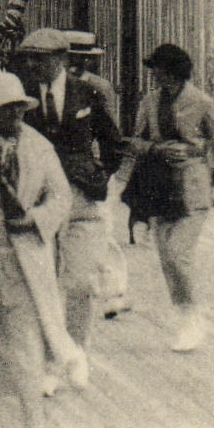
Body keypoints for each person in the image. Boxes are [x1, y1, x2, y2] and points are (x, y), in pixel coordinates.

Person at [0, 72, 88, 428]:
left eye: (19, 110)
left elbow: (61, 196)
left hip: (22, 261)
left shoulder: (38, 147)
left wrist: (35, 219)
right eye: (7, 111)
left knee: (27, 344)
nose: (15, 118)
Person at [12, 28, 122, 386]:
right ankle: (47, 364)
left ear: (61, 59)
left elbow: (113, 142)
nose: (32, 64)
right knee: (41, 284)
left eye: (39, 58)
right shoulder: (22, 98)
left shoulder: (87, 93)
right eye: (28, 57)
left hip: (81, 199)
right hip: (40, 199)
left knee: (77, 282)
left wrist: (100, 176)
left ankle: (76, 351)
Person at [121, 43, 214, 352]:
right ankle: (184, 319)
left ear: (173, 72)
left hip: (193, 189)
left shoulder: (202, 103)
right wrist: (157, 149)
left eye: (158, 69)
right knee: (166, 259)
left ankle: (193, 317)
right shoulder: (149, 102)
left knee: (178, 255)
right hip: (159, 187)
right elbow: (135, 143)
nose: (154, 74)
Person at [64, 29, 129, 316]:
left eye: (83, 58)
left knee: (101, 227)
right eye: (73, 58)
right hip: (68, 171)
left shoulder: (97, 88)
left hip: (90, 170)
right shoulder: (57, 87)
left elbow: (108, 131)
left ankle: (114, 290)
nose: (78, 64)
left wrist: (102, 171)